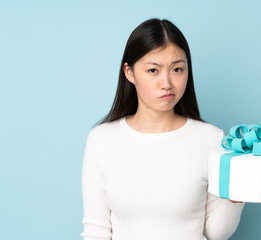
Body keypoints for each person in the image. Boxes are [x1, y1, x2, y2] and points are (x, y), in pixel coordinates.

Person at [80, 18, 245, 240]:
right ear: (129, 72)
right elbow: (96, 230)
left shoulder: (211, 138)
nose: (166, 83)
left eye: (177, 69)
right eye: (153, 70)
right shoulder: (102, 140)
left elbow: (215, 233)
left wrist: (237, 192)